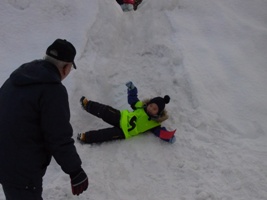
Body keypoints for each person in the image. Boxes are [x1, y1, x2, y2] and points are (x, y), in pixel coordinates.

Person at [0, 39, 88, 199]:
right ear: (66, 67)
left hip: (6, 160)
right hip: (21, 169)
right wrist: (75, 170)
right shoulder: (52, 90)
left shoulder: (18, 78)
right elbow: (58, 137)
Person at [77, 81, 176, 144]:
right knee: (105, 110)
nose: (151, 109)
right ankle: (88, 105)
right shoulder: (141, 106)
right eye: (151, 105)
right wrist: (132, 89)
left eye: (154, 109)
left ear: (158, 113)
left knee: (105, 134)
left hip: (124, 132)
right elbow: (133, 100)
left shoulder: (154, 124)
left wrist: (169, 137)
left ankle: (86, 137)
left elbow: (161, 133)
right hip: (120, 117)